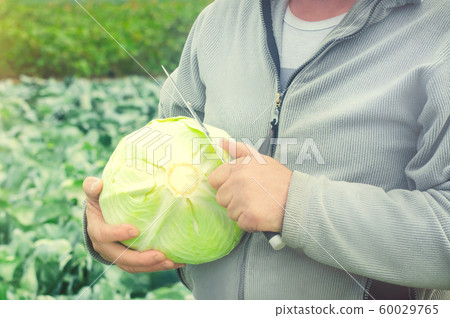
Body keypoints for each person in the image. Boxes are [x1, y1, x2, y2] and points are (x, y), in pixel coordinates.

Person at [82, 0, 450, 299]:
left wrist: (297, 204)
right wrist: (111, 226)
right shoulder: (218, 21)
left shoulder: (439, 33)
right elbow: (158, 152)